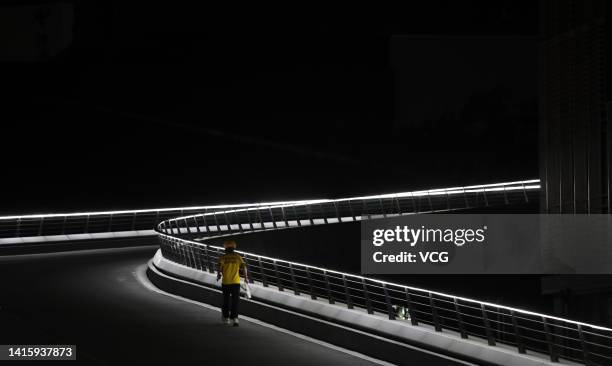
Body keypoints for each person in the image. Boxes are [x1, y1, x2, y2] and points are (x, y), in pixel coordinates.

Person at [216, 239, 247, 326]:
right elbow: (244, 267)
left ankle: (226, 318)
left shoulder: (223, 257)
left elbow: (219, 267)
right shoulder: (238, 257)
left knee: (226, 300)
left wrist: (218, 275)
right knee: (235, 301)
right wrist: (246, 278)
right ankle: (235, 319)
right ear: (234, 248)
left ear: (225, 248)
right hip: (235, 282)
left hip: (226, 282)